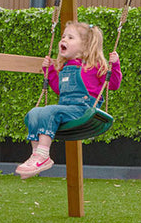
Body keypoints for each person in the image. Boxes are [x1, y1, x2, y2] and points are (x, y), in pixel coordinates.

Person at [18, 21, 121, 178]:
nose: (63, 40)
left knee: (49, 110)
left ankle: (43, 155)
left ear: (85, 46)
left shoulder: (94, 66)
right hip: (66, 110)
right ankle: (35, 156)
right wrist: (50, 71)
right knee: (34, 113)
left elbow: (113, 84)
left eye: (70, 37)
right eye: (63, 36)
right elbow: (59, 90)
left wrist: (115, 66)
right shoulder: (65, 67)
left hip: (83, 110)